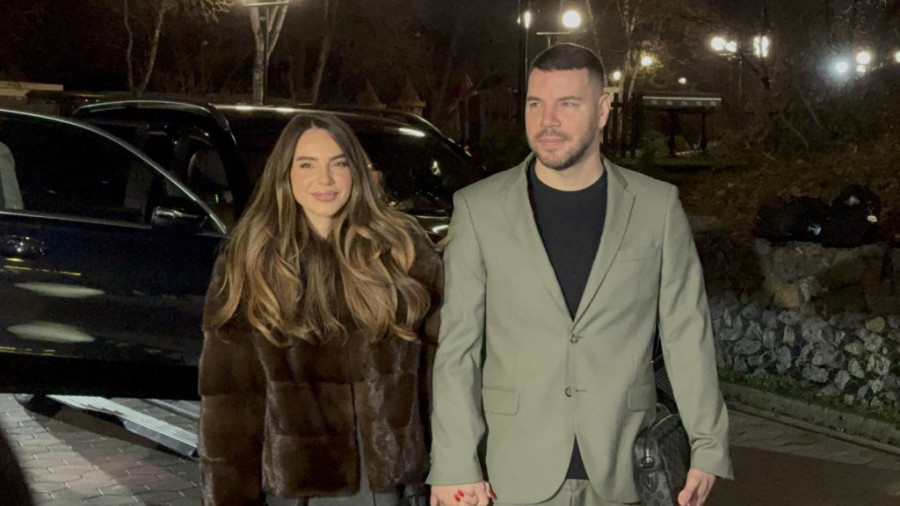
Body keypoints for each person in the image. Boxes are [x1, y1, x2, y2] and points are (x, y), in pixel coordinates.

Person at [428, 44, 732, 506]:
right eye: (536, 103)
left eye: (567, 104)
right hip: (513, 470)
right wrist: (454, 462)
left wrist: (707, 446)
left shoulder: (656, 207)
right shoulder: (479, 208)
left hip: (625, 465)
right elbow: (458, 347)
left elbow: (687, 333)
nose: (547, 120)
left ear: (603, 109)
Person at [198, 113, 443, 506]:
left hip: (393, 486)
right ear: (285, 174)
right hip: (297, 490)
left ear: (356, 171)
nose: (324, 179)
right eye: (307, 165)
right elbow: (231, 403)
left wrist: (450, 469)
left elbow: (441, 374)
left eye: (338, 163)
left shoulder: (403, 251)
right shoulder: (250, 262)